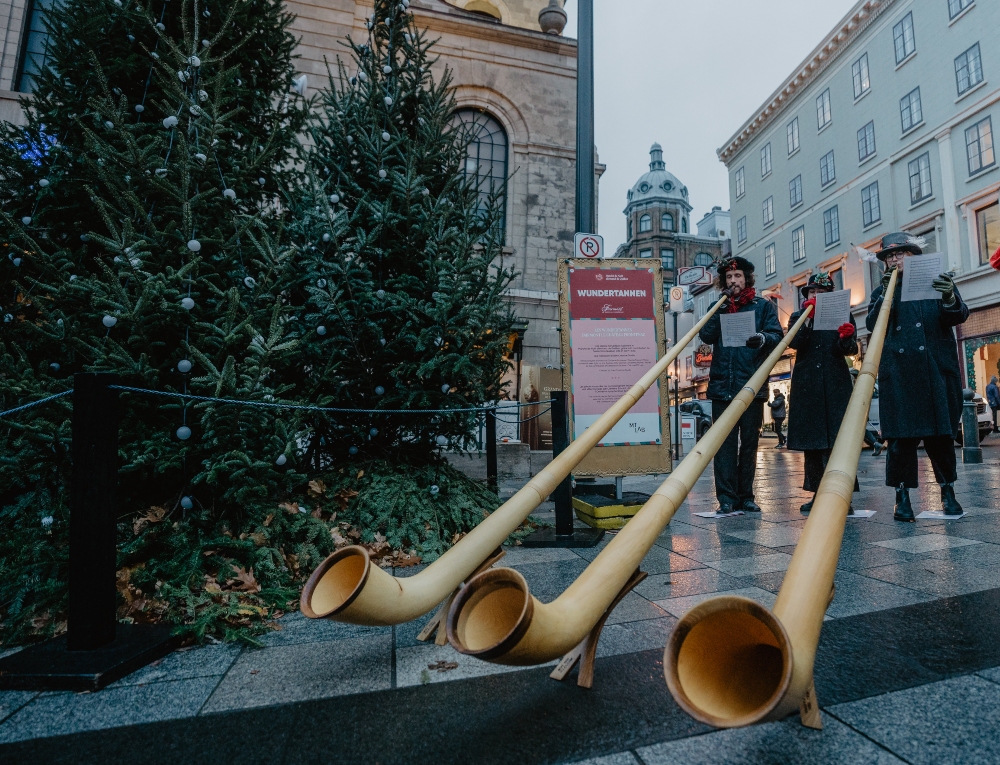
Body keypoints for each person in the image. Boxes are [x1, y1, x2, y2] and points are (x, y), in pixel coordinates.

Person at [866, 232, 969, 521]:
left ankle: (948, 492)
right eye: (889, 257)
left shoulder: (939, 283)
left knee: (941, 437)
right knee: (900, 441)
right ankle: (902, 498)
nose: (893, 260)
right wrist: (884, 297)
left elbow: (958, 315)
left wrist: (949, 295)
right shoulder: (881, 292)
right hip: (899, 375)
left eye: (899, 254)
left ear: (914, 256)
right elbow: (874, 325)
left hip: (934, 370)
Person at [699, 256, 784, 514]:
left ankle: (746, 495)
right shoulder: (719, 305)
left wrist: (762, 338)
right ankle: (726, 497)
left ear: (747, 278)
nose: (733, 281)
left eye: (737, 277)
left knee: (749, 444)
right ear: (723, 282)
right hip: (723, 386)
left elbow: (777, 335)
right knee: (724, 445)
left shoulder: (762, 306)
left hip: (751, 385)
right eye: (728, 278)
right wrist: (721, 307)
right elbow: (706, 335)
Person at [786, 272, 859, 514]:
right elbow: (795, 342)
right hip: (809, 385)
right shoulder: (798, 316)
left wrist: (846, 338)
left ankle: (842, 494)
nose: (817, 296)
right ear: (807, 295)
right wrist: (808, 318)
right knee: (814, 444)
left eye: (823, 293)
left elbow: (849, 350)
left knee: (839, 442)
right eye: (813, 292)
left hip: (835, 382)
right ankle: (818, 492)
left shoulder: (842, 313)